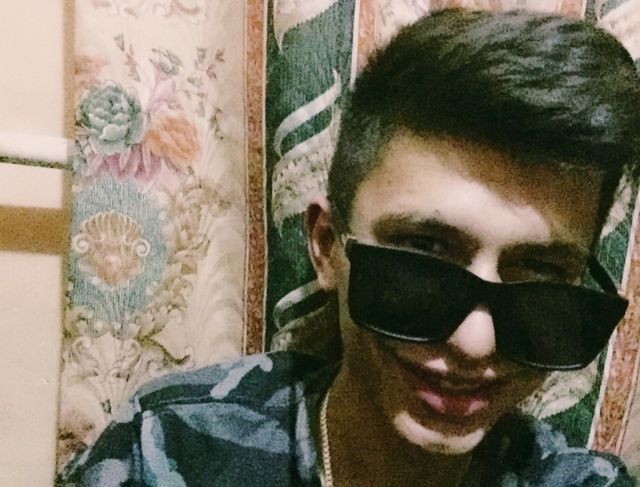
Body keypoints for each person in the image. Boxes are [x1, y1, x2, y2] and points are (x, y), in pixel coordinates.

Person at [58, 9, 640, 486]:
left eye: (539, 279)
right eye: (422, 256)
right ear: (327, 245)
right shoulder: (170, 450)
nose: (474, 343)